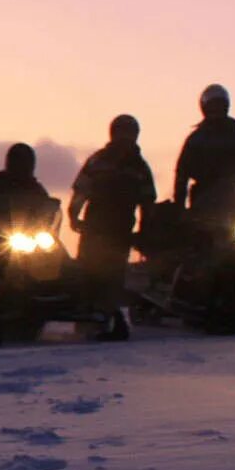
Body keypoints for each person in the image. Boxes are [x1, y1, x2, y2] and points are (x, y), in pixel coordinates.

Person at [69, 115, 157, 319]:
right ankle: (87, 313)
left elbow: (148, 202)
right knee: (87, 270)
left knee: (113, 274)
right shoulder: (98, 161)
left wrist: (145, 231)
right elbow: (81, 190)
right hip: (94, 227)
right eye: (121, 133)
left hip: (120, 230)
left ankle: (107, 314)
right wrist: (74, 215)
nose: (124, 138)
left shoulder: (139, 167)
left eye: (128, 134)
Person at [173, 84, 235, 223]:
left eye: (219, 105)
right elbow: (182, 173)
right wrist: (179, 207)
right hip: (203, 204)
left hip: (232, 200)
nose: (216, 110)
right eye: (213, 106)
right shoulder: (196, 140)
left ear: (226, 107)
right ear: (205, 108)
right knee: (197, 238)